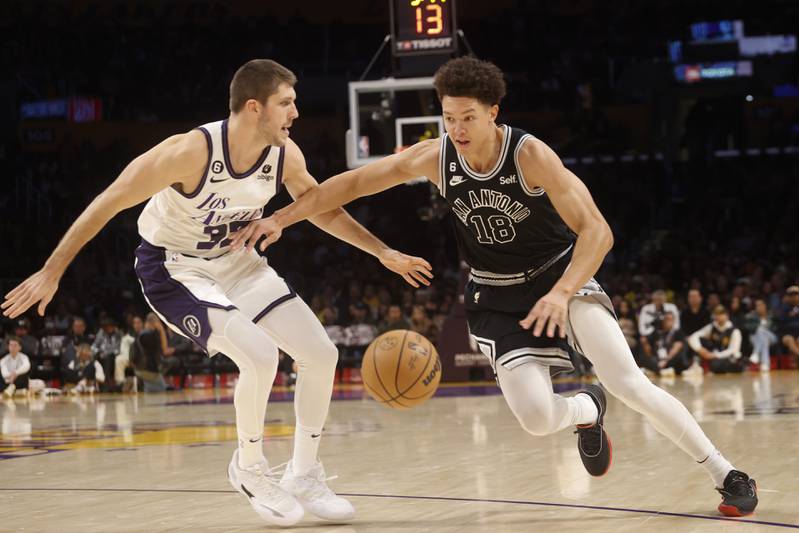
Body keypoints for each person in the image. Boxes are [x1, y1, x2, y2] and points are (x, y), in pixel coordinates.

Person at [232, 56, 758, 517]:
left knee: (630, 381)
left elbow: (598, 231)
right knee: (534, 419)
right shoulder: (436, 156)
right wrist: (284, 218)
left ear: (492, 114)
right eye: (449, 117)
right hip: (496, 295)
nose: (457, 128)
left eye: (467, 118)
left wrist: (562, 293)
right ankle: (587, 410)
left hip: (559, 278)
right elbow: (351, 184)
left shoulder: (530, 156)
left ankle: (726, 473)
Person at [1, 58, 432, 527]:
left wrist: (382, 252)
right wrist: (52, 269)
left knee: (321, 353)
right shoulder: (188, 152)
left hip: (237, 263)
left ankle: (304, 473)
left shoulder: (286, 154)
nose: (295, 113)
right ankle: (249, 467)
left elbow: (321, 208)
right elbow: (108, 201)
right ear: (254, 108)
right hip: (173, 269)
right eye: (286, 103)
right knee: (260, 354)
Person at [688, 305, 744, 374]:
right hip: (714, 355)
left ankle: (708, 368)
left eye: (720, 314)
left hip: (729, 358)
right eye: (716, 314)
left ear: (726, 316)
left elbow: (733, 350)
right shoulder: (712, 327)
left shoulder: (734, 331)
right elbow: (694, 336)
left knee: (717, 365)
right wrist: (700, 349)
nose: (718, 317)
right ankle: (696, 365)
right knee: (698, 341)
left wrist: (715, 355)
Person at [744, 298, 777, 372]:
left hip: (771, 336)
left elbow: (775, 328)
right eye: (757, 305)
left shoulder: (771, 315)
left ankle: (755, 353)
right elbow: (748, 328)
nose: (759, 307)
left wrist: (763, 330)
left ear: (765, 306)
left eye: (761, 305)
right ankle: (765, 364)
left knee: (761, 331)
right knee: (763, 339)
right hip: (755, 337)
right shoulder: (751, 316)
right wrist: (758, 326)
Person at [777, 285, 799, 360]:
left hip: (798, 334)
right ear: (787, 297)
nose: (793, 297)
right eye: (791, 295)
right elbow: (781, 322)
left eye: (796, 294)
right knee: (790, 340)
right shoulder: (783, 307)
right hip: (786, 334)